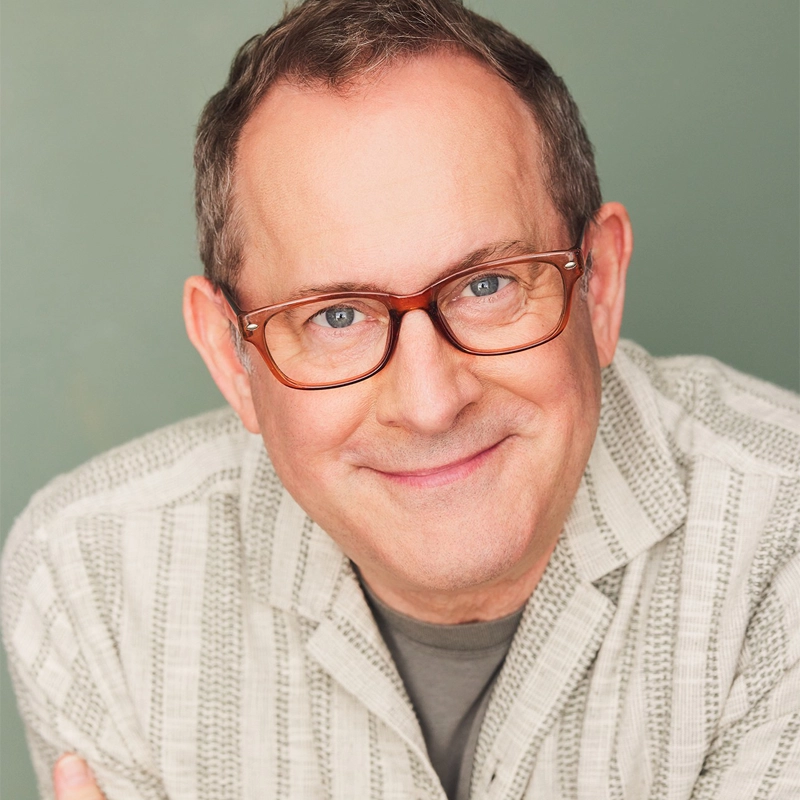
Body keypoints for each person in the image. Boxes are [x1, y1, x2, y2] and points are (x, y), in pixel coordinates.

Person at [3, 0, 799, 798]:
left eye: (487, 285)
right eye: (336, 316)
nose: (429, 402)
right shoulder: (92, 582)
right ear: (230, 355)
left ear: (599, 287)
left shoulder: (781, 537)